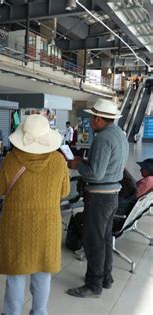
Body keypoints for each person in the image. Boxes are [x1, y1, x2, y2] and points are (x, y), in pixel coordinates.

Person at [0, 114, 70, 315]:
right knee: (43, 274)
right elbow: (64, 192)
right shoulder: (58, 160)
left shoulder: (11, 160)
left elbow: (0, 188)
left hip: (16, 225)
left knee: (16, 274)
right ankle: (39, 312)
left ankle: (12, 312)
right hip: (48, 225)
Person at [67, 99, 128, 298]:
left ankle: (93, 285)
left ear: (99, 118)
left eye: (92, 117)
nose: (91, 121)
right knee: (105, 239)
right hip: (112, 195)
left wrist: (77, 165)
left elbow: (95, 174)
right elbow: (106, 165)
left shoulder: (102, 138)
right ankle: (106, 278)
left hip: (100, 198)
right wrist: (84, 161)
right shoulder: (119, 134)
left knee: (93, 240)